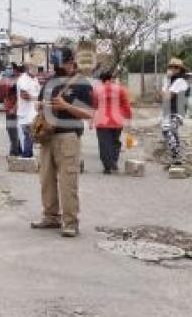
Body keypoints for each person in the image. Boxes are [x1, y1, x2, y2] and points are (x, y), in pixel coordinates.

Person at [31, 48, 93, 237]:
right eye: (55, 64)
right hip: (47, 137)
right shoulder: (51, 81)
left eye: (60, 64)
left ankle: (70, 223)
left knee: (68, 182)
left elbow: (88, 113)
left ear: (71, 63)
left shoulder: (82, 84)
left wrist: (66, 106)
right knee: (46, 180)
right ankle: (51, 217)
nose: (57, 67)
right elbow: (40, 103)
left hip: (68, 137)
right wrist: (41, 105)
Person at [92, 70, 132, 174]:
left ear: (102, 80)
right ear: (111, 78)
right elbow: (126, 105)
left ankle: (107, 166)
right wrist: (128, 117)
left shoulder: (97, 90)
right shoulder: (121, 89)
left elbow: (94, 105)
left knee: (104, 143)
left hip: (102, 121)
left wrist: (91, 120)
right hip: (117, 120)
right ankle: (113, 161)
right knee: (115, 141)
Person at [160, 58, 190, 166]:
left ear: (180, 70)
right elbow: (162, 96)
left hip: (177, 111)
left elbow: (167, 96)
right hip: (169, 110)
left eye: (176, 67)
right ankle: (176, 158)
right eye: (171, 66)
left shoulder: (180, 81)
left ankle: (176, 156)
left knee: (168, 131)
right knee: (172, 132)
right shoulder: (171, 81)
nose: (173, 69)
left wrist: (166, 83)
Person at [0, 63, 22, 157]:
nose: (8, 70)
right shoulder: (12, 79)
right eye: (7, 68)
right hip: (12, 109)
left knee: (12, 130)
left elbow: (19, 97)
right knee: (14, 130)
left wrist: (14, 108)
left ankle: (14, 151)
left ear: (15, 70)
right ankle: (17, 149)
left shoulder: (17, 81)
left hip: (13, 109)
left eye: (10, 68)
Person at [16, 64, 40, 158]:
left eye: (37, 68)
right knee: (27, 135)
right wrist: (36, 99)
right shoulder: (23, 79)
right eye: (34, 68)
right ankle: (26, 156)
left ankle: (27, 154)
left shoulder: (34, 79)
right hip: (25, 113)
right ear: (28, 69)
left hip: (33, 112)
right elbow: (23, 95)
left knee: (31, 135)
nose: (36, 70)